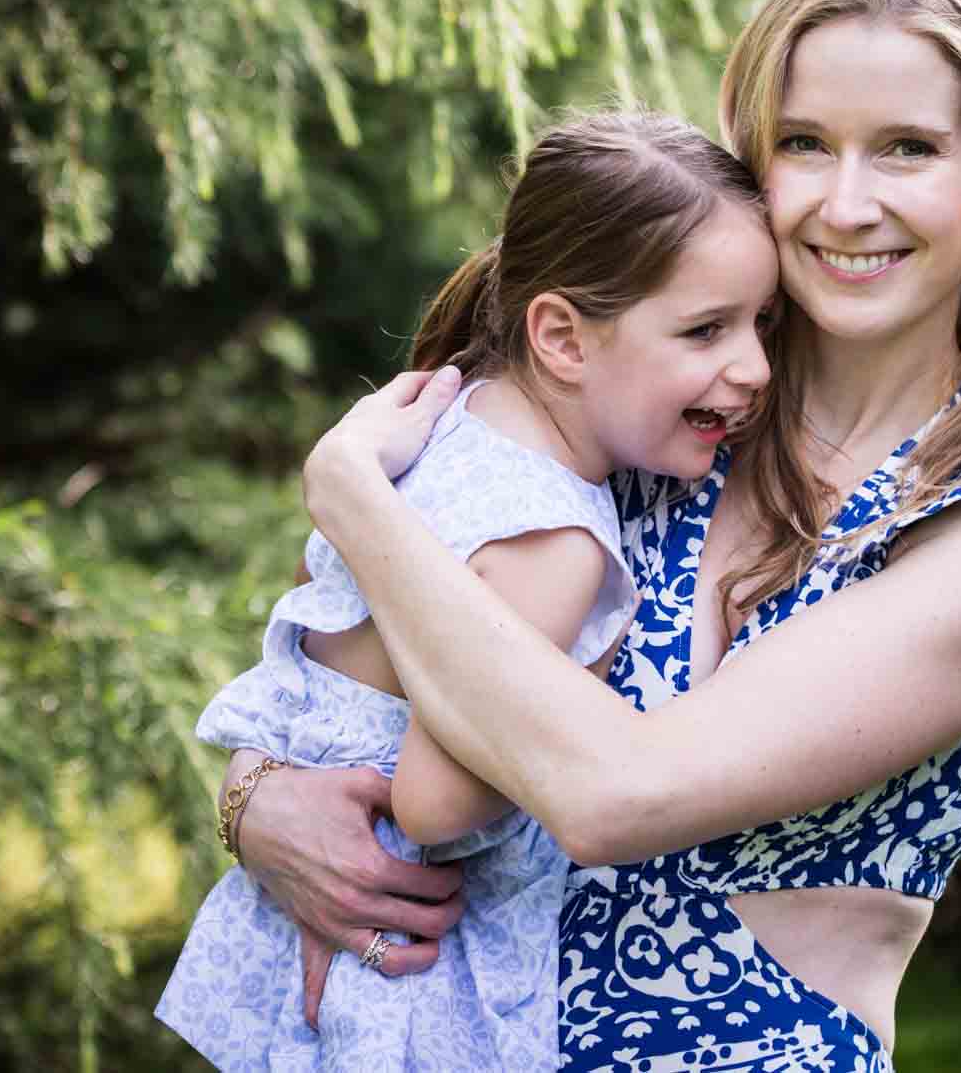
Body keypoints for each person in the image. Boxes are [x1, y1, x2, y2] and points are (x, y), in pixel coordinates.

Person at [239, 0, 961, 1069]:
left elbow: (618, 795)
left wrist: (350, 494)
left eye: (907, 150)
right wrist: (258, 799)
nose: (844, 202)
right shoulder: (659, 398)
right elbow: (342, 648)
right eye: (804, 144)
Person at [155, 111, 778, 1071]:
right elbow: (437, 804)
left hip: (303, 940)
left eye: (760, 324)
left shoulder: (434, 422)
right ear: (564, 338)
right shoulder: (556, 538)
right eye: (705, 330)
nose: (755, 368)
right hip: (406, 971)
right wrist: (592, 671)